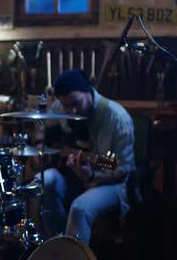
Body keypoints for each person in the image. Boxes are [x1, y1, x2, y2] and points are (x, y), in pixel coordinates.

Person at [35, 69, 135, 245]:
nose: (72, 110)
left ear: (88, 92)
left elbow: (123, 171)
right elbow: (41, 124)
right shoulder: (61, 106)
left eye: (76, 103)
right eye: (66, 105)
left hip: (109, 183)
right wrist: (38, 144)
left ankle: (70, 255)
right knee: (40, 182)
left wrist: (91, 176)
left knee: (80, 208)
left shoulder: (117, 118)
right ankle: (53, 243)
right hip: (73, 177)